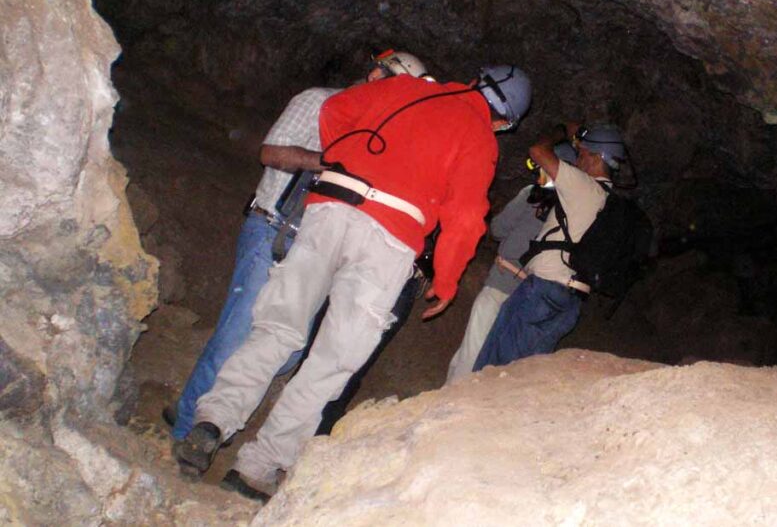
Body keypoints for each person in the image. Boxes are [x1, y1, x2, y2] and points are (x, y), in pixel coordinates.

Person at [175, 63, 532, 499]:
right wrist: (447, 279)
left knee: (277, 328)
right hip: (388, 241)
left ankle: (212, 419)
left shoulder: (407, 88)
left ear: (477, 80)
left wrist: (352, 157)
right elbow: (465, 218)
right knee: (332, 359)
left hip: (329, 210)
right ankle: (257, 467)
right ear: (504, 121)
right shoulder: (479, 137)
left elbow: (336, 110)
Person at [167, 50, 429, 443]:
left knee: (286, 350)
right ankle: (189, 427)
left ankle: (202, 410)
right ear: (377, 74)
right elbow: (270, 152)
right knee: (238, 335)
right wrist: (332, 162)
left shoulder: (374, 133)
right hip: (273, 229)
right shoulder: (318, 100)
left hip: (311, 246)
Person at [473, 123, 628, 371]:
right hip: (570, 302)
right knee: (520, 374)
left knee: (493, 368)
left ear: (598, 157)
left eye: (582, 153)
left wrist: (560, 132)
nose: (577, 160)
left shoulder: (583, 186)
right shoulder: (609, 201)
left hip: (543, 291)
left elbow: (538, 151)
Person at [446, 142, 578, 383]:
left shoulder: (531, 195)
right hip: (533, 297)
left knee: (472, 351)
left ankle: (446, 407)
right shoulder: (574, 212)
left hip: (502, 282)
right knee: (502, 361)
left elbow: (497, 228)